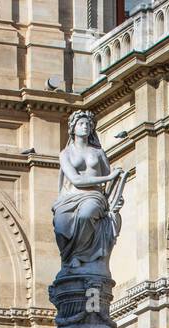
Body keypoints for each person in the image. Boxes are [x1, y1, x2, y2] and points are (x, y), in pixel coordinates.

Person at [53, 110, 125, 273]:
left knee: (86, 215)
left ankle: (79, 255)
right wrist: (107, 178)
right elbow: (76, 180)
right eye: (81, 124)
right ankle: (69, 257)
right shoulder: (65, 154)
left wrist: (115, 192)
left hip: (93, 196)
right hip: (70, 197)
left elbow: (111, 180)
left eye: (88, 124)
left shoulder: (98, 152)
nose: (85, 127)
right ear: (72, 128)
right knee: (60, 225)